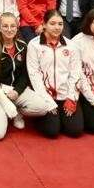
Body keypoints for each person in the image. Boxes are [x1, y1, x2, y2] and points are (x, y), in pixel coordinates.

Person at [0, 12, 57, 139]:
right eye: (5, 26)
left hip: (15, 91)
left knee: (43, 107)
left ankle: (16, 110)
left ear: (17, 28)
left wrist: (17, 91)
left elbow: (25, 75)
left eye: (12, 26)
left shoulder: (23, 46)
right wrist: (4, 101)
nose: (9, 29)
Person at [25, 10, 84, 138]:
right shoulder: (34, 45)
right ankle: (45, 118)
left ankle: (60, 117)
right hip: (45, 96)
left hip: (65, 94)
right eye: (52, 23)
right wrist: (47, 100)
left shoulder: (72, 46)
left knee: (75, 131)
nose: (57, 27)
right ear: (44, 24)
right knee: (52, 131)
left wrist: (72, 98)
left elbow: (75, 73)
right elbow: (34, 76)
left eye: (60, 24)